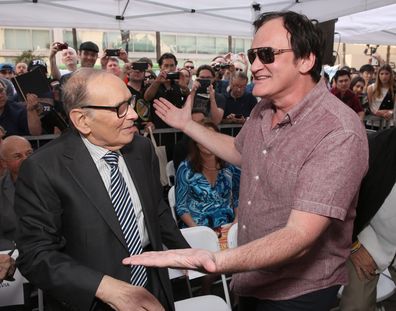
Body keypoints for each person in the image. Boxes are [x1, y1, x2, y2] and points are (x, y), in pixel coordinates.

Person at [124, 11, 369, 311]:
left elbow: (300, 236)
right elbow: (241, 152)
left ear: (306, 60)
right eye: (252, 55)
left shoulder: (337, 131)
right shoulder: (264, 108)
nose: (254, 66)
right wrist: (188, 126)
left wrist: (214, 259)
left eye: (267, 54)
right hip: (251, 276)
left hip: (297, 294)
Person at [15, 68, 189, 311]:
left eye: (130, 103)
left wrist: (188, 254)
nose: (132, 115)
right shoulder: (43, 168)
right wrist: (105, 287)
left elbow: (156, 209)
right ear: (82, 120)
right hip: (93, 299)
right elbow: (35, 254)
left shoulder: (141, 149)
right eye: (120, 108)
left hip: (153, 288)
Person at [339, 127, 396, 311]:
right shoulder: (375, 146)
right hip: (370, 240)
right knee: (355, 306)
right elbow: (342, 202)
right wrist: (353, 245)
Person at [176, 120, 240, 230]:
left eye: (212, 137)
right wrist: (198, 230)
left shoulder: (230, 166)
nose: (208, 142)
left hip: (227, 225)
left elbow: (238, 198)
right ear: (196, 141)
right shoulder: (185, 169)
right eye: (204, 137)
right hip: (197, 227)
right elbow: (181, 207)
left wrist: (236, 222)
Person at [0, 136, 33, 241]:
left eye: (29, 153)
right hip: (13, 250)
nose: (26, 159)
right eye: (17, 156)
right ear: (4, 163)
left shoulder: (53, 182)